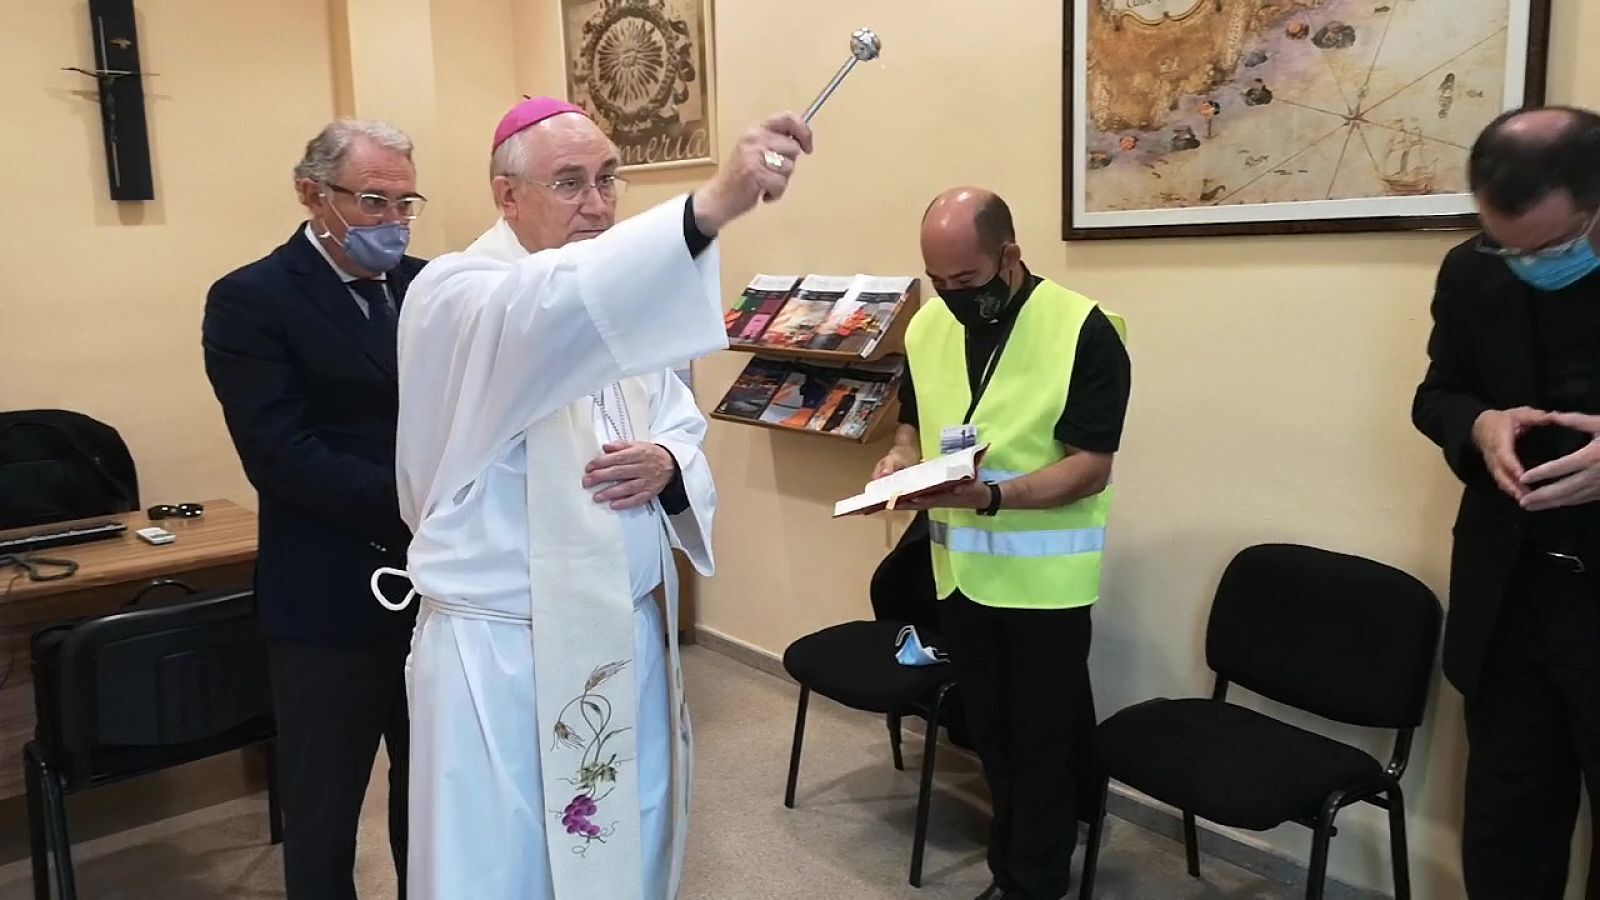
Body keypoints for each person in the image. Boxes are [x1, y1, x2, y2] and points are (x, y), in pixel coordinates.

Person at [381, 97, 811, 900]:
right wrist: (713, 204)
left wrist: (667, 460)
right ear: (507, 196)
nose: (598, 203)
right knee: (503, 862)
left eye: (609, 179)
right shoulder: (455, 294)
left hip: (622, 636)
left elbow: (677, 418)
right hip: (503, 660)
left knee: (623, 836)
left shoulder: (616, 307)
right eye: (570, 182)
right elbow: (546, 306)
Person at [873, 188, 1131, 900]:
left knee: (1042, 743)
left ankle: (1033, 883)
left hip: (1046, 585)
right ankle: (1011, 866)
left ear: (1010, 255)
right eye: (939, 281)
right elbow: (912, 423)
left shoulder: (1083, 329)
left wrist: (992, 498)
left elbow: (1091, 465)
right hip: (959, 573)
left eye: (967, 279)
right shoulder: (929, 326)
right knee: (989, 734)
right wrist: (898, 461)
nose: (953, 295)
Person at [202, 119, 426, 898]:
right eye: (373, 201)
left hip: (438, 587)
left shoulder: (429, 287)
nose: (392, 221)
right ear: (312, 193)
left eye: (405, 202)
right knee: (324, 809)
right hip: (327, 595)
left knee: (431, 794)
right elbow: (281, 456)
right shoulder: (251, 299)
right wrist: (426, 502)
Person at [1412, 105, 1600, 898]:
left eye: (1549, 249)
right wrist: (1479, 423)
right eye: (1506, 246)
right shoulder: (1472, 268)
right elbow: (1437, 395)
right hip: (1510, 593)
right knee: (1504, 828)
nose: (1526, 265)